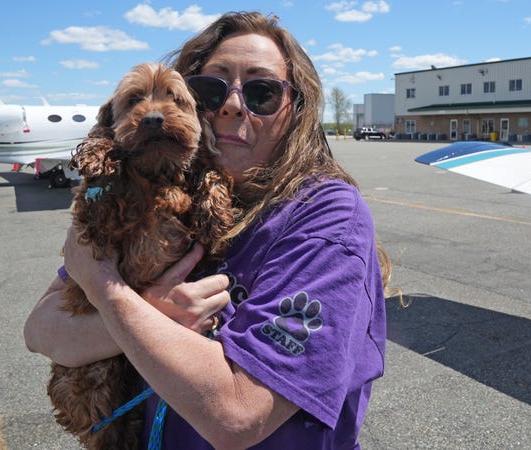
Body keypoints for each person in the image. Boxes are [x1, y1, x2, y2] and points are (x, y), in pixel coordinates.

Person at [24, 11, 391, 450]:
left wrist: (109, 292)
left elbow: (236, 415)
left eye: (262, 92)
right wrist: (155, 313)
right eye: (212, 88)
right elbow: (40, 331)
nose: (234, 104)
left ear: (295, 113)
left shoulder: (327, 216)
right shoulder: (150, 194)